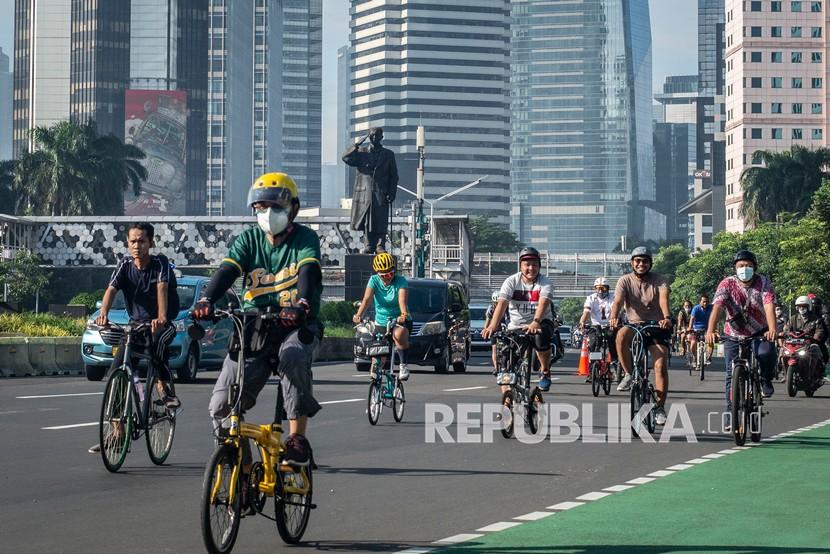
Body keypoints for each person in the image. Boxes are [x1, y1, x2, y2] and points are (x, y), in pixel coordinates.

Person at [194, 172, 323, 467]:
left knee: (292, 358)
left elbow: (308, 271)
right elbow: (227, 271)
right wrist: (206, 301)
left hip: (296, 324)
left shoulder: (306, 238)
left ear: (293, 209)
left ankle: (297, 441)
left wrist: (301, 303)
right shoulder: (248, 240)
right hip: (255, 327)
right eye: (261, 207)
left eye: (275, 207)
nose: (267, 214)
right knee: (220, 406)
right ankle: (239, 465)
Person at [88, 223, 180, 454]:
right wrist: (103, 314)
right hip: (137, 325)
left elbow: (162, 288)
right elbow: (111, 289)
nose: (137, 246)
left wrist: (160, 317)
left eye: (141, 241)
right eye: (132, 241)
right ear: (127, 243)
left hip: (164, 322)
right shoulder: (124, 265)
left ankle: (164, 390)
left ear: (151, 243)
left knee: (157, 343)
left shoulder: (161, 264)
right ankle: (118, 434)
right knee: (117, 372)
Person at [705, 250, 778, 420]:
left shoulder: (764, 282)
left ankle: (766, 379)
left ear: (755, 267)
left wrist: (773, 329)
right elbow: (718, 308)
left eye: (748, 266)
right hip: (733, 333)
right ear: (735, 268)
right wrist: (710, 331)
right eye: (741, 266)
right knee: (731, 374)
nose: (745, 268)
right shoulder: (727, 284)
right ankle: (731, 414)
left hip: (759, 331)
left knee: (766, 353)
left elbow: (768, 305)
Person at [609, 246, 672, 426]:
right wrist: (614, 318)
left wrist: (666, 318)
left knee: (659, 366)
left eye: (645, 261)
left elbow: (663, 299)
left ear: (650, 263)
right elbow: (618, 301)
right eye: (637, 261)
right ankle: (629, 374)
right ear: (632, 263)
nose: (641, 264)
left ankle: (659, 407)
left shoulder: (659, 280)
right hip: (634, 325)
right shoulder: (624, 281)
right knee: (620, 335)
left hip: (657, 326)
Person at [481, 247, 559, 393]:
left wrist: (536, 321)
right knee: (506, 361)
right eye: (527, 264)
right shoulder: (511, 281)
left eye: (534, 264)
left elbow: (543, 303)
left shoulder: (545, 282)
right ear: (520, 266)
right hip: (516, 325)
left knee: (540, 338)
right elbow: (502, 303)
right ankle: (506, 400)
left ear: (539, 266)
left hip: (540, 322)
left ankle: (545, 371)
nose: (531, 268)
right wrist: (492, 326)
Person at [352, 252, 412, 380]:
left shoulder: (401, 281)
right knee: (378, 350)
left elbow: (402, 300)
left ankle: (403, 365)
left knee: (398, 335)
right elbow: (367, 299)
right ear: (378, 274)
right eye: (383, 275)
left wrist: (403, 314)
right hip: (381, 321)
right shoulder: (374, 280)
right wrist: (358, 315)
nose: (387, 278)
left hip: (398, 320)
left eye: (390, 274)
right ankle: (376, 386)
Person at [341, 127, 399, 254]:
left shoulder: (388, 155)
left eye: (377, 136)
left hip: (381, 192)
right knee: (368, 220)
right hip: (365, 192)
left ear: (381, 137)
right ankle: (369, 245)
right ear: (368, 137)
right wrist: (356, 144)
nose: (374, 138)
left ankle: (380, 245)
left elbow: (394, 176)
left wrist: (392, 192)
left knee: (381, 219)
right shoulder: (361, 153)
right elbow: (345, 157)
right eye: (371, 136)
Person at [578, 277, 618, 381]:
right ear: (595, 289)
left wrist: (614, 321)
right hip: (596, 326)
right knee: (593, 345)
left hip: (610, 325)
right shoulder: (591, 298)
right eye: (598, 288)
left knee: (612, 341)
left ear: (608, 289)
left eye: (603, 288)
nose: (600, 291)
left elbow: (615, 309)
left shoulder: (613, 298)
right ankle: (592, 371)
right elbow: (586, 312)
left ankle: (615, 364)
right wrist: (582, 322)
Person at [784, 295, 829, 369]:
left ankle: (817, 369)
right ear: (797, 307)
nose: (801, 308)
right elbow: (786, 328)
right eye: (799, 306)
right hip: (794, 343)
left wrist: (815, 338)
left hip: (809, 344)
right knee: (783, 351)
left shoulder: (816, 319)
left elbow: (820, 330)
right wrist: (785, 333)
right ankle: (782, 369)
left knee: (816, 349)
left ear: (808, 307)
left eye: (804, 306)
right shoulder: (793, 318)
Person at [485, 290, 508, 373]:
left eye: (498, 303)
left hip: (505, 328)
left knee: (507, 347)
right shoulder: (490, 309)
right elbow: (487, 322)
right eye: (495, 303)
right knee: (494, 348)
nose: (497, 305)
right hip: (495, 329)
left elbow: (509, 321)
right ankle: (496, 367)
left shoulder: (507, 308)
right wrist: (486, 330)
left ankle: (506, 364)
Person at [687, 294, 714, 364]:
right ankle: (695, 357)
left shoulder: (711, 307)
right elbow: (692, 319)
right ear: (700, 302)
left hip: (707, 329)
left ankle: (709, 357)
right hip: (696, 329)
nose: (705, 303)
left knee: (711, 341)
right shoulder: (696, 308)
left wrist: (714, 329)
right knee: (693, 343)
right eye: (704, 301)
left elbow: (714, 318)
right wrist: (690, 328)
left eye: (707, 302)